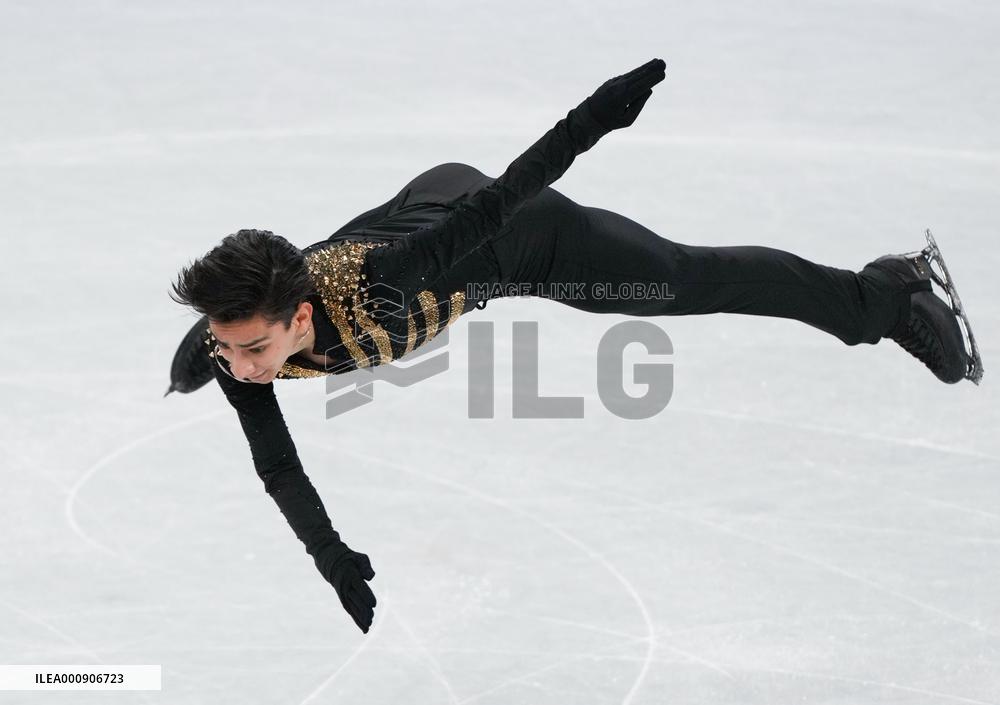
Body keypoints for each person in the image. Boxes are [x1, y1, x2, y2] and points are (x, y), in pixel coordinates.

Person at [165, 58, 983, 634]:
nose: (239, 367)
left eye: (250, 348)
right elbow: (277, 462)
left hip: (513, 236)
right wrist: (330, 554)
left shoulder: (380, 283)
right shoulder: (233, 344)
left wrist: (593, 118)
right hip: (429, 211)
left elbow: (498, 203)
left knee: (678, 281)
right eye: (224, 349)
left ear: (301, 319)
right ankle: (879, 293)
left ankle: (887, 292)